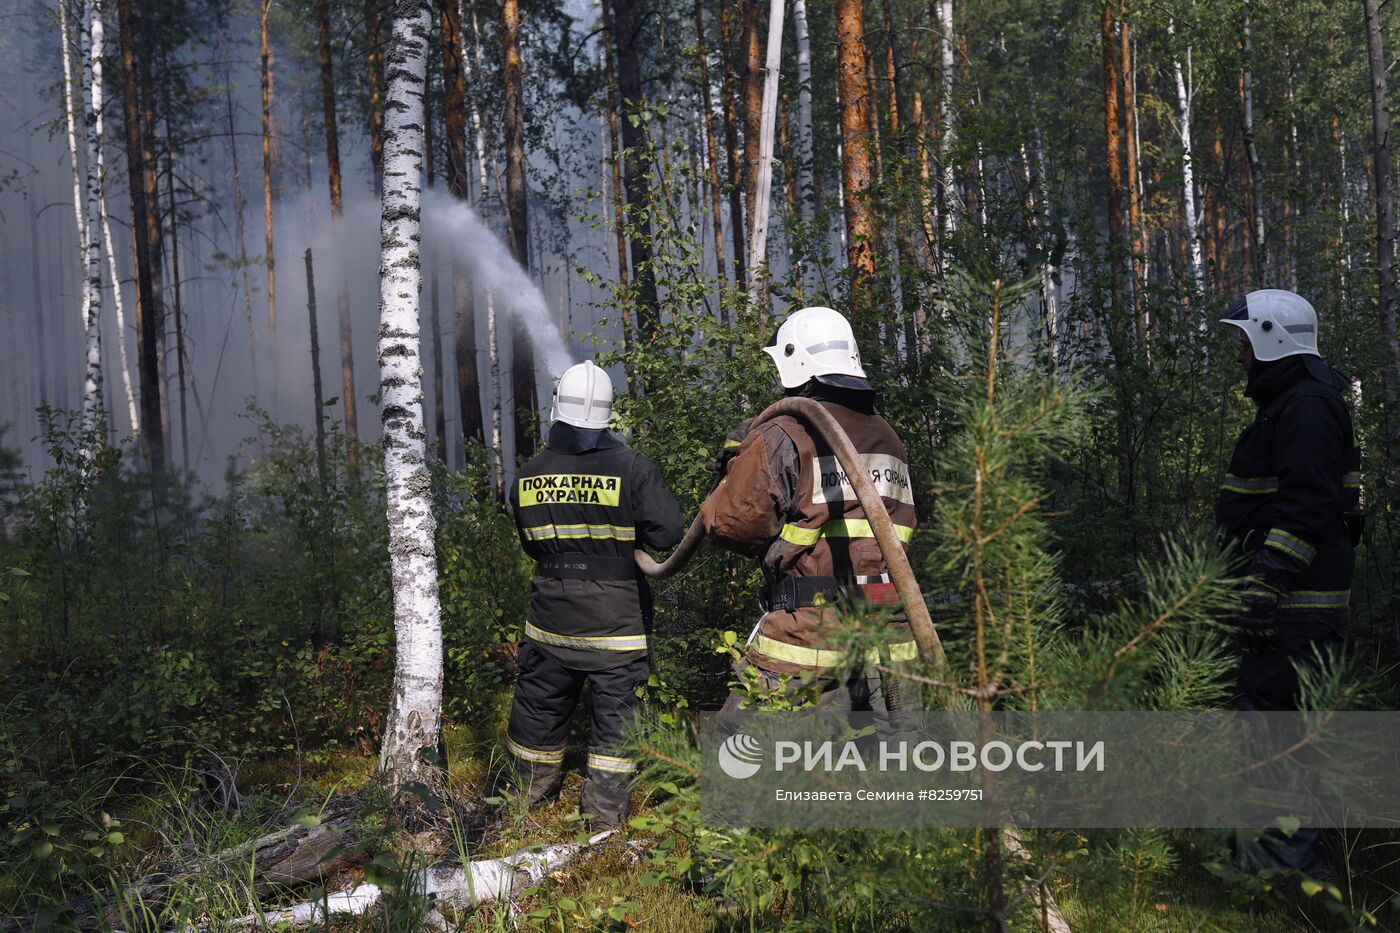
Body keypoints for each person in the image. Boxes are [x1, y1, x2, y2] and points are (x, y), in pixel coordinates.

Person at [700, 306, 919, 721]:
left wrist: (731, 470)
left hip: (808, 634)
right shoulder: (889, 437)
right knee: (888, 761)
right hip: (888, 631)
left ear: (793, 362)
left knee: (740, 754)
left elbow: (730, 526)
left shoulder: (786, 432)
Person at [495, 360, 685, 831]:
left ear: (557, 408)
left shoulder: (528, 474)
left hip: (549, 624)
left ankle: (525, 803)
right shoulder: (633, 467)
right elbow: (667, 534)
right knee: (615, 723)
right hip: (615, 628)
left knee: (538, 713)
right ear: (608, 413)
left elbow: (531, 544)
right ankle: (602, 821)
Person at [1216, 288, 1362, 878]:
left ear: (1272, 337)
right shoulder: (1296, 401)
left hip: (1294, 607)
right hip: (1292, 603)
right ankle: (1281, 869)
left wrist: (1267, 583)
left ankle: (1285, 879)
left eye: (1244, 341)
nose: (1240, 355)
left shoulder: (1304, 405)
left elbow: (1307, 507)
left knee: (1278, 736)